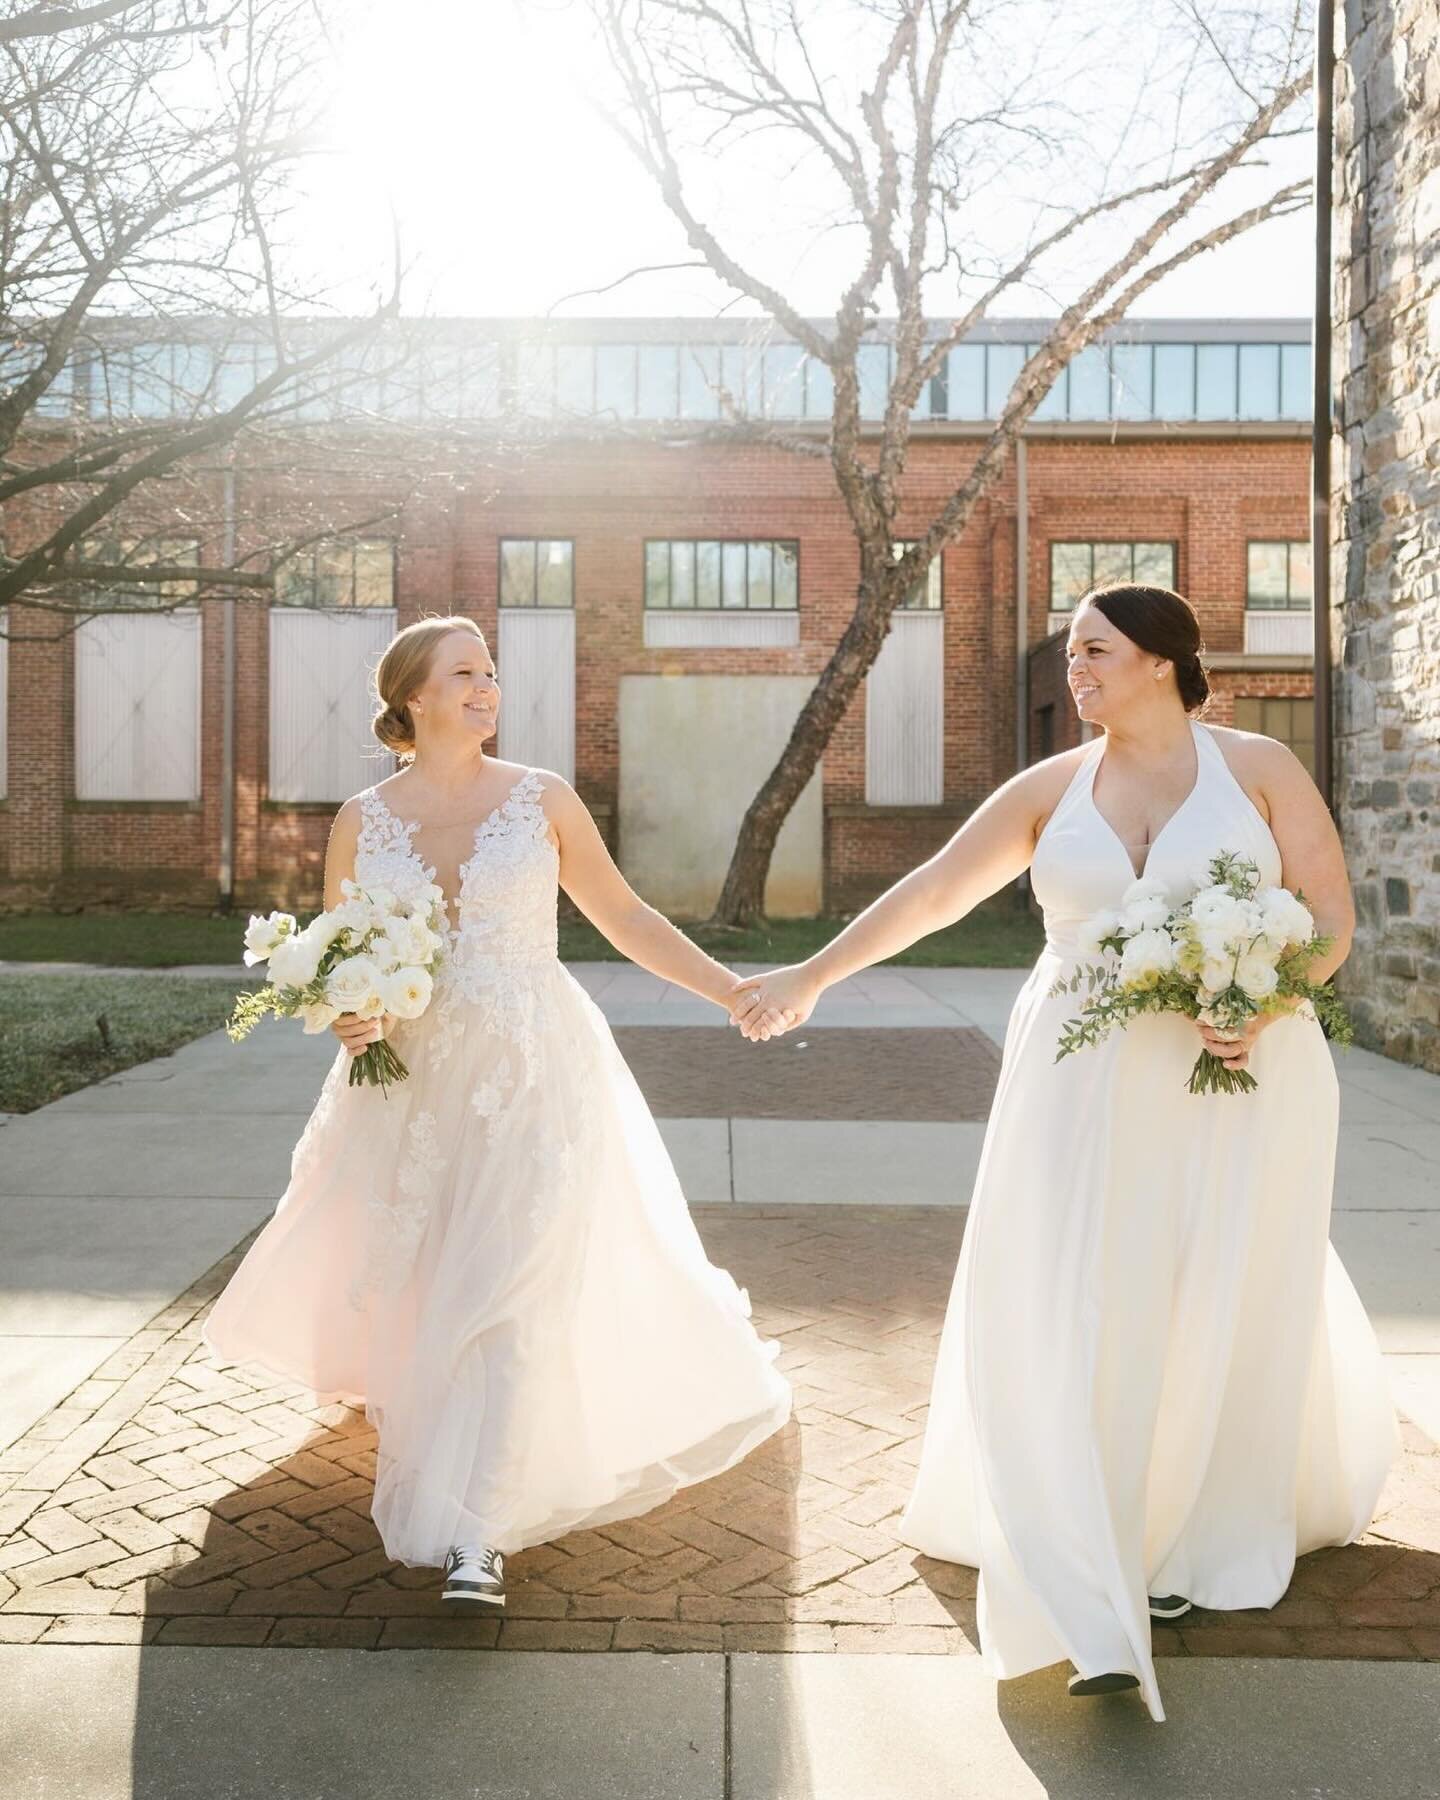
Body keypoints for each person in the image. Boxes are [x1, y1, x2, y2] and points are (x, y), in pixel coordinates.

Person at [733, 582, 1397, 1721]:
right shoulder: (1053, 788)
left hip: (1245, 1070)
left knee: (1216, 1280)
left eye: (1093, 651)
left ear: (1160, 659)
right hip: (1078, 1081)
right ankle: (1084, 1525)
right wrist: (808, 976)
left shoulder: (1259, 771)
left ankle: (1188, 1528)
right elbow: (934, 892)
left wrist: (1269, 996)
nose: (1073, 670)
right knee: (1083, 1288)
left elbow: (1330, 919)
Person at [204, 613, 789, 1608]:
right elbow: (344, 951)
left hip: (531, 1066)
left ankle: (479, 1533)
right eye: (464, 673)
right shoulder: (362, 817)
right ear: (414, 696)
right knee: (432, 1275)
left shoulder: (542, 801)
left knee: (510, 1281)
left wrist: (730, 988)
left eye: (491, 673)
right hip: (409, 1077)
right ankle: (434, 1426)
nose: (486, 689)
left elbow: (628, 916)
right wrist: (349, 1014)